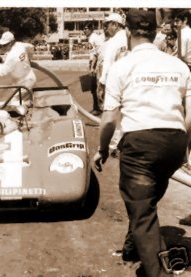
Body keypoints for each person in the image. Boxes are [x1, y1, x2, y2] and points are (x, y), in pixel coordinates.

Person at [93, 9, 191, 277]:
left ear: (128, 33)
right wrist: (184, 148)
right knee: (145, 202)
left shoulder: (122, 66)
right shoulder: (178, 66)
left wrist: (103, 150)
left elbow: (110, 118)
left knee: (143, 213)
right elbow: (190, 113)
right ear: (155, 32)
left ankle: (156, 272)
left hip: (140, 144)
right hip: (174, 140)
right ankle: (133, 246)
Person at [99, 12, 129, 158]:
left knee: (112, 114)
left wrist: (101, 84)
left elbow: (108, 64)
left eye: (107, 24)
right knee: (126, 113)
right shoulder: (129, 38)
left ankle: (113, 146)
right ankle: (122, 142)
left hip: (115, 81)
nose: (106, 28)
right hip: (130, 82)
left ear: (115, 25)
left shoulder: (114, 41)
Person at [0, 31, 36, 101]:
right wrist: (29, 58)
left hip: (24, 82)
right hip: (26, 79)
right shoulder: (20, 45)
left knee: (15, 103)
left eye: (5, 45)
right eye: (2, 45)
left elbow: (2, 72)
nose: (3, 47)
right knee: (24, 102)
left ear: (11, 42)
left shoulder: (12, 55)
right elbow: (31, 47)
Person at [84, 22, 105, 116]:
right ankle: (98, 107)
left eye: (85, 28)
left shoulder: (92, 38)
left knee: (94, 87)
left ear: (90, 29)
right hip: (102, 62)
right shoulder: (97, 37)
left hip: (98, 63)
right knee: (97, 87)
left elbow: (94, 54)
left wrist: (92, 67)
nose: (84, 31)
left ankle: (98, 108)